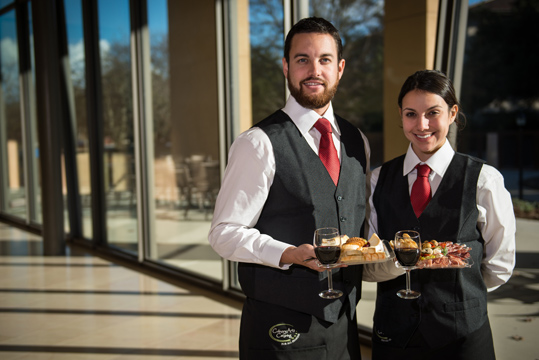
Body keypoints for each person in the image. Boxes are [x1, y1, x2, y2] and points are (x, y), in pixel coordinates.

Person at [208, 17, 370, 359]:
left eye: (325, 59)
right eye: (302, 59)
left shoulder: (357, 142)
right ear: (286, 67)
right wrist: (286, 254)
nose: (314, 70)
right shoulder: (258, 143)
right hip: (280, 328)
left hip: (344, 325)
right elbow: (224, 233)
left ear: (339, 68)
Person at [363, 69, 516, 359]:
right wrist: (405, 260)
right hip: (395, 333)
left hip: (463, 337)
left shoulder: (484, 179)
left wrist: (462, 301)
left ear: (452, 113)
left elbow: (500, 265)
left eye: (433, 112)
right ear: (401, 115)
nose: (421, 125)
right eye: (410, 114)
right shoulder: (378, 179)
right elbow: (369, 263)